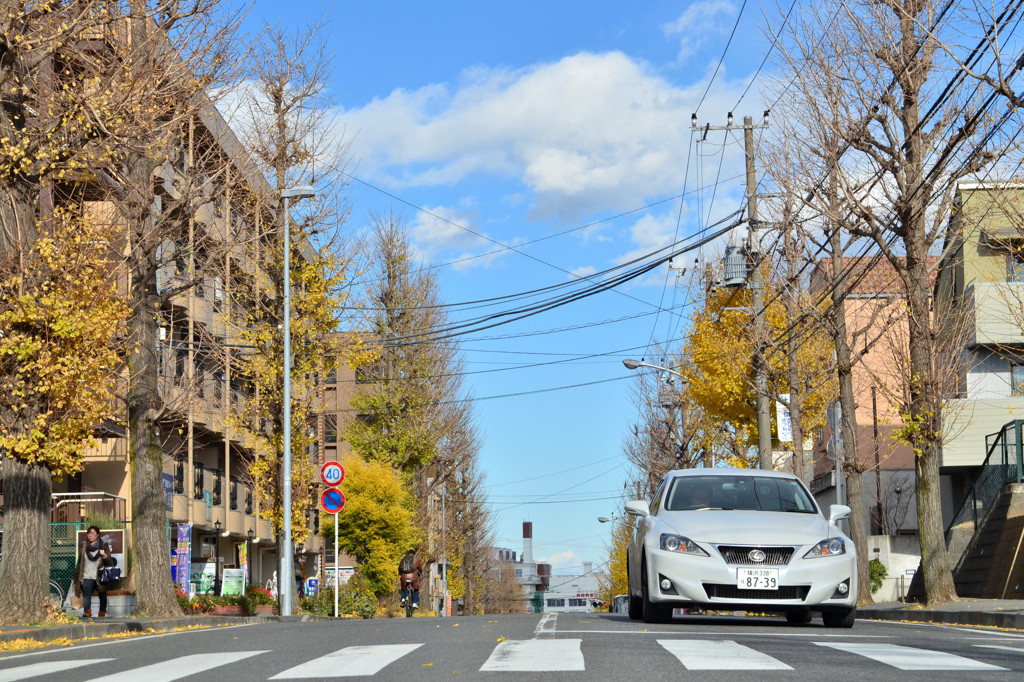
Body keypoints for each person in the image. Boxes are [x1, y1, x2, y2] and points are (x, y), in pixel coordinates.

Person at [73, 525, 114, 618]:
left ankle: (102, 612)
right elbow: (80, 563)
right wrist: (75, 577)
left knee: (102, 594)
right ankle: (87, 612)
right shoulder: (83, 546)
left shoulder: (103, 546)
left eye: (92, 533)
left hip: (99, 575)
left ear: (97, 535)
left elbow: (109, 562)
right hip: (87, 575)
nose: (90, 535)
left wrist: (104, 555)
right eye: (88, 533)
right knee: (87, 594)